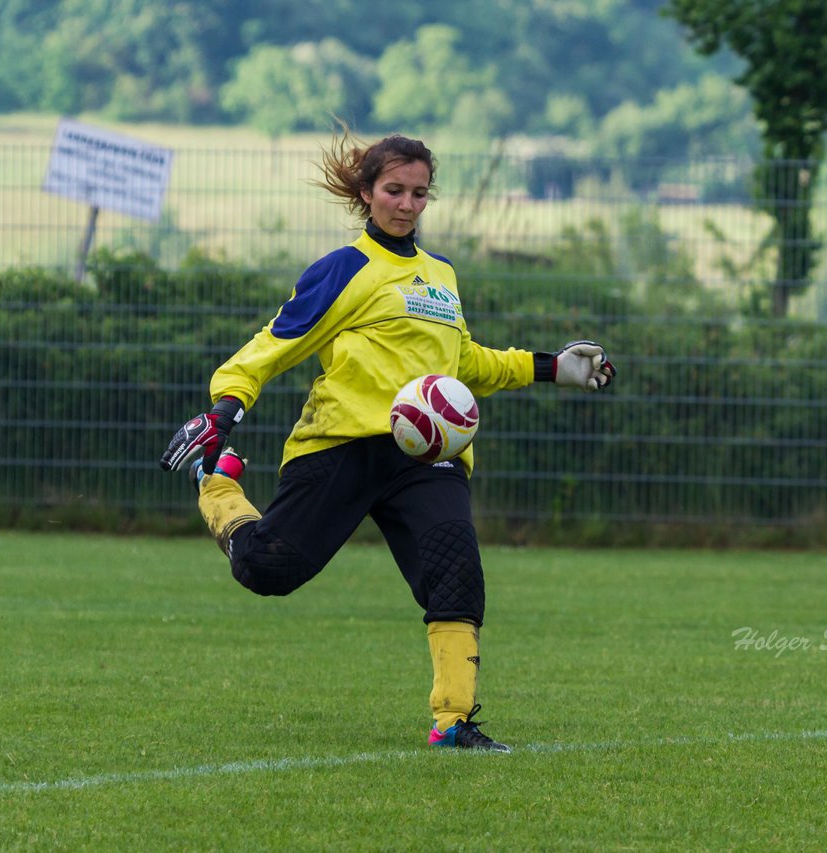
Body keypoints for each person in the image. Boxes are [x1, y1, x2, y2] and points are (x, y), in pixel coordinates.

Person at [160, 130, 616, 753]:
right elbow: (275, 343)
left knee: (456, 577)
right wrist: (226, 405)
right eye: (394, 190)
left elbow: (464, 362)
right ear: (367, 192)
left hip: (428, 458)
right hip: (342, 445)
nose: (406, 204)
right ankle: (217, 485)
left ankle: (453, 724)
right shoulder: (346, 268)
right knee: (269, 570)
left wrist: (550, 366)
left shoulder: (441, 275)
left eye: (419, 193)